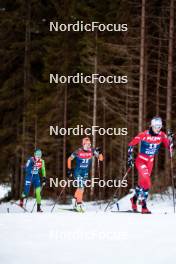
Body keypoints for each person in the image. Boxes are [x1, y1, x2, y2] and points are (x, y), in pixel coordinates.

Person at [128, 117, 173, 214]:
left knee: (142, 184)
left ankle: (134, 199)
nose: (158, 128)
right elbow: (131, 144)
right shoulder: (144, 134)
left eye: (160, 126)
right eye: (156, 126)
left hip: (150, 162)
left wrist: (170, 141)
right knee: (147, 183)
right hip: (141, 161)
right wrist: (130, 158)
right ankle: (144, 206)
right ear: (152, 126)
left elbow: (168, 146)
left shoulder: (161, 135)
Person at [67, 137, 103, 212]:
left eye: (89, 144)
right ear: (83, 144)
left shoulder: (92, 151)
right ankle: (79, 205)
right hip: (78, 172)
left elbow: (101, 159)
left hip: (85, 173)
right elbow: (69, 159)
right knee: (80, 187)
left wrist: (100, 152)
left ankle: (75, 200)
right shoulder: (78, 151)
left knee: (82, 189)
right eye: (87, 144)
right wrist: (69, 169)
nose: (88, 146)